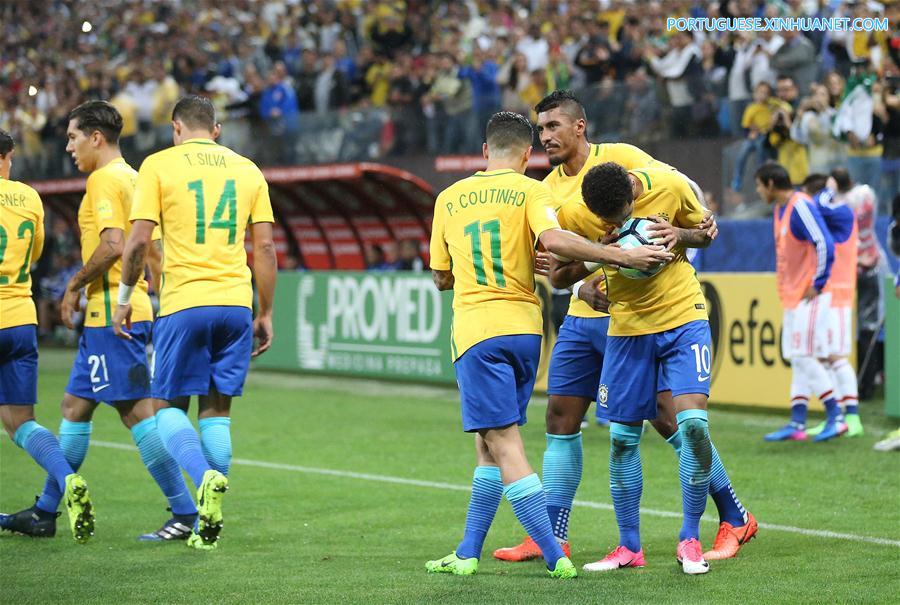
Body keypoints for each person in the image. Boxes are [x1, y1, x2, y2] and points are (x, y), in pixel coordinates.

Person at [495, 90, 754, 567]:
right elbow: (554, 266)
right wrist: (580, 287)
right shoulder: (548, 190)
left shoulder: (626, 159)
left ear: (580, 127)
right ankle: (552, 537)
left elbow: (672, 202)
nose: (545, 136)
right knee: (560, 418)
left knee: (672, 420)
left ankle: (733, 514)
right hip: (586, 316)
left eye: (553, 127)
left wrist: (692, 232)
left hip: (640, 315)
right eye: (540, 129)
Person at [424, 111, 671, 579]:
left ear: (484, 152)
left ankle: (556, 555)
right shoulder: (532, 190)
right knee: (488, 444)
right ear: (525, 154)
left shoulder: (448, 198)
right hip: (525, 332)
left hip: (478, 332)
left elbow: (441, 277)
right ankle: (467, 552)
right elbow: (553, 240)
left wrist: (619, 255)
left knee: (505, 443)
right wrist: (614, 251)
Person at [0, 102, 200, 541]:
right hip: (115, 314)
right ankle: (46, 511)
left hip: (114, 314)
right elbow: (154, 251)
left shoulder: (105, 180)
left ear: (95, 137)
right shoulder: (136, 178)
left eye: (72, 137)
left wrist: (74, 283)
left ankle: (185, 511)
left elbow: (112, 245)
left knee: (137, 414)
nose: (68, 146)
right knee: (74, 408)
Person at [111, 95, 277, 550]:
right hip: (235, 304)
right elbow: (263, 249)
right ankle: (208, 522)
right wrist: (264, 311)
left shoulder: (159, 165)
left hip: (185, 302)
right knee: (217, 412)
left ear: (176, 128)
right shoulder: (248, 169)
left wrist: (126, 298)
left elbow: (139, 241)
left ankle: (202, 478)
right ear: (217, 130)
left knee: (165, 407)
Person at [578, 161, 742, 574]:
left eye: (623, 216)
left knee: (694, 426)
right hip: (627, 329)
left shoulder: (669, 184)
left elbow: (707, 232)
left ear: (634, 197)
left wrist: (679, 233)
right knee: (621, 440)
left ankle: (690, 539)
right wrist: (588, 274)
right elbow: (560, 269)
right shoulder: (582, 210)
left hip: (682, 318)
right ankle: (629, 547)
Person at [0, 128, 94, 543]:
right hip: (20, 318)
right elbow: (35, 254)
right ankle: (65, 477)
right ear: (8, 156)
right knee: (21, 422)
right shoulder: (30, 198)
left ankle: (64, 479)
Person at [755, 162, 845, 443]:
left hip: (811, 293)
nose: (758, 191)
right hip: (794, 295)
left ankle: (836, 415)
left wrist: (817, 283)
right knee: (797, 356)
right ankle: (797, 422)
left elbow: (823, 243)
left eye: (759, 185)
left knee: (804, 355)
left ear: (771, 184)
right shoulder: (781, 209)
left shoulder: (799, 205)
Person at [801, 174, 864, 438]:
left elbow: (820, 204)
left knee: (836, 355)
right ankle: (837, 418)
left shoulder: (841, 211)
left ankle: (852, 416)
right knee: (825, 356)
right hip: (829, 293)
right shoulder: (830, 215)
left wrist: (828, 189)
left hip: (838, 291)